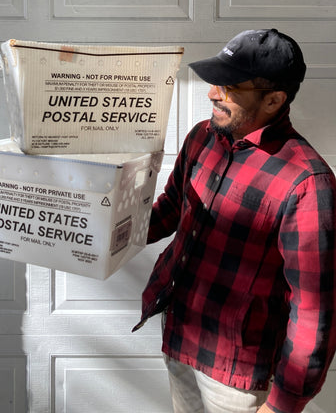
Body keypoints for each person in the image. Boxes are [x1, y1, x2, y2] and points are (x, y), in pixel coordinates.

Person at [133, 29, 336, 413]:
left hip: (235, 374)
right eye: (216, 82)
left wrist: (283, 405)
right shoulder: (202, 138)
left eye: (230, 86)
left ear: (274, 100)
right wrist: (98, 233)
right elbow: (170, 209)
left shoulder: (307, 183)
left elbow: (315, 309)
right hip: (179, 334)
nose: (212, 93)